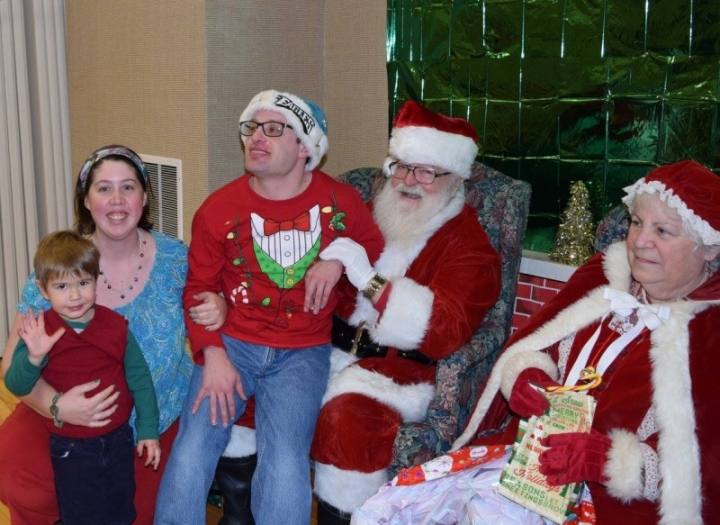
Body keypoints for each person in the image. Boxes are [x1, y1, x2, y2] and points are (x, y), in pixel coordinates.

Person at [386, 159, 720, 524]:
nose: (640, 242)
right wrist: (526, 376)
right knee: (392, 510)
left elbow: (706, 465)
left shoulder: (710, 332)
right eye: (637, 223)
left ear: (709, 248)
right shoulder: (602, 277)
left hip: (610, 503)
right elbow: (534, 344)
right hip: (524, 464)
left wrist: (610, 460)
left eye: (663, 231)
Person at [153, 90, 384, 525]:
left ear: (305, 147)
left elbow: (372, 244)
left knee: (285, 462)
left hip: (302, 352)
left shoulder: (339, 202)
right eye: (252, 128)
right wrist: (212, 354)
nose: (256, 137)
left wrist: (337, 259)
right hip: (233, 345)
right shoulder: (218, 209)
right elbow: (198, 289)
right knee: (192, 448)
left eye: (274, 129)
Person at [0, 145, 224, 525]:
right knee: (21, 481)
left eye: (128, 187)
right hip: (65, 417)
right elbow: (11, 365)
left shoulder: (176, 259)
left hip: (155, 413)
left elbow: (216, 301)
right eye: (104, 189)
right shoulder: (60, 266)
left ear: (145, 197)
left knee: (137, 513)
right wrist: (57, 406)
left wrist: (220, 305)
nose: (116, 200)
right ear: (86, 201)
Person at [4, 230, 161, 524]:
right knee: (80, 515)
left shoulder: (115, 326)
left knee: (122, 512)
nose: (75, 295)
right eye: (62, 286)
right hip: (71, 448)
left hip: (119, 440)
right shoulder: (39, 331)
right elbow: (15, 383)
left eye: (83, 283)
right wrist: (34, 358)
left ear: (96, 281)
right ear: (42, 289)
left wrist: (148, 431)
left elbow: (140, 381)